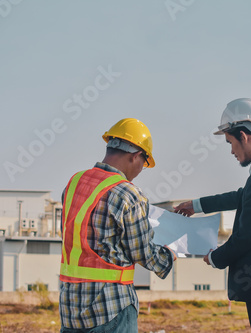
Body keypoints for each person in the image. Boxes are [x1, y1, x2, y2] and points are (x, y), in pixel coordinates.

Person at [174, 98, 251, 333]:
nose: (231, 150)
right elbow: (243, 196)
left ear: (244, 136)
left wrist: (215, 258)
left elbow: (246, 237)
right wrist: (197, 205)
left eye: (230, 142)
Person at [59, 118, 176, 333]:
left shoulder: (74, 183)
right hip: (110, 307)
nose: (141, 170)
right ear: (135, 156)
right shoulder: (128, 194)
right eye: (144, 163)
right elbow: (143, 252)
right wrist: (168, 255)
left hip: (70, 308)